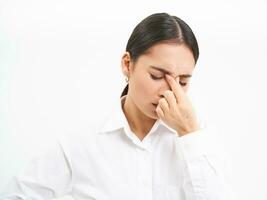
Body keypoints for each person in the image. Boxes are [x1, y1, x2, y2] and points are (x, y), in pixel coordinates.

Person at [0, 12, 235, 200]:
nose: (169, 91)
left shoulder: (200, 137)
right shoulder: (82, 142)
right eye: (156, 75)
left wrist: (189, 135)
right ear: (127, 65)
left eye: (183, 81)